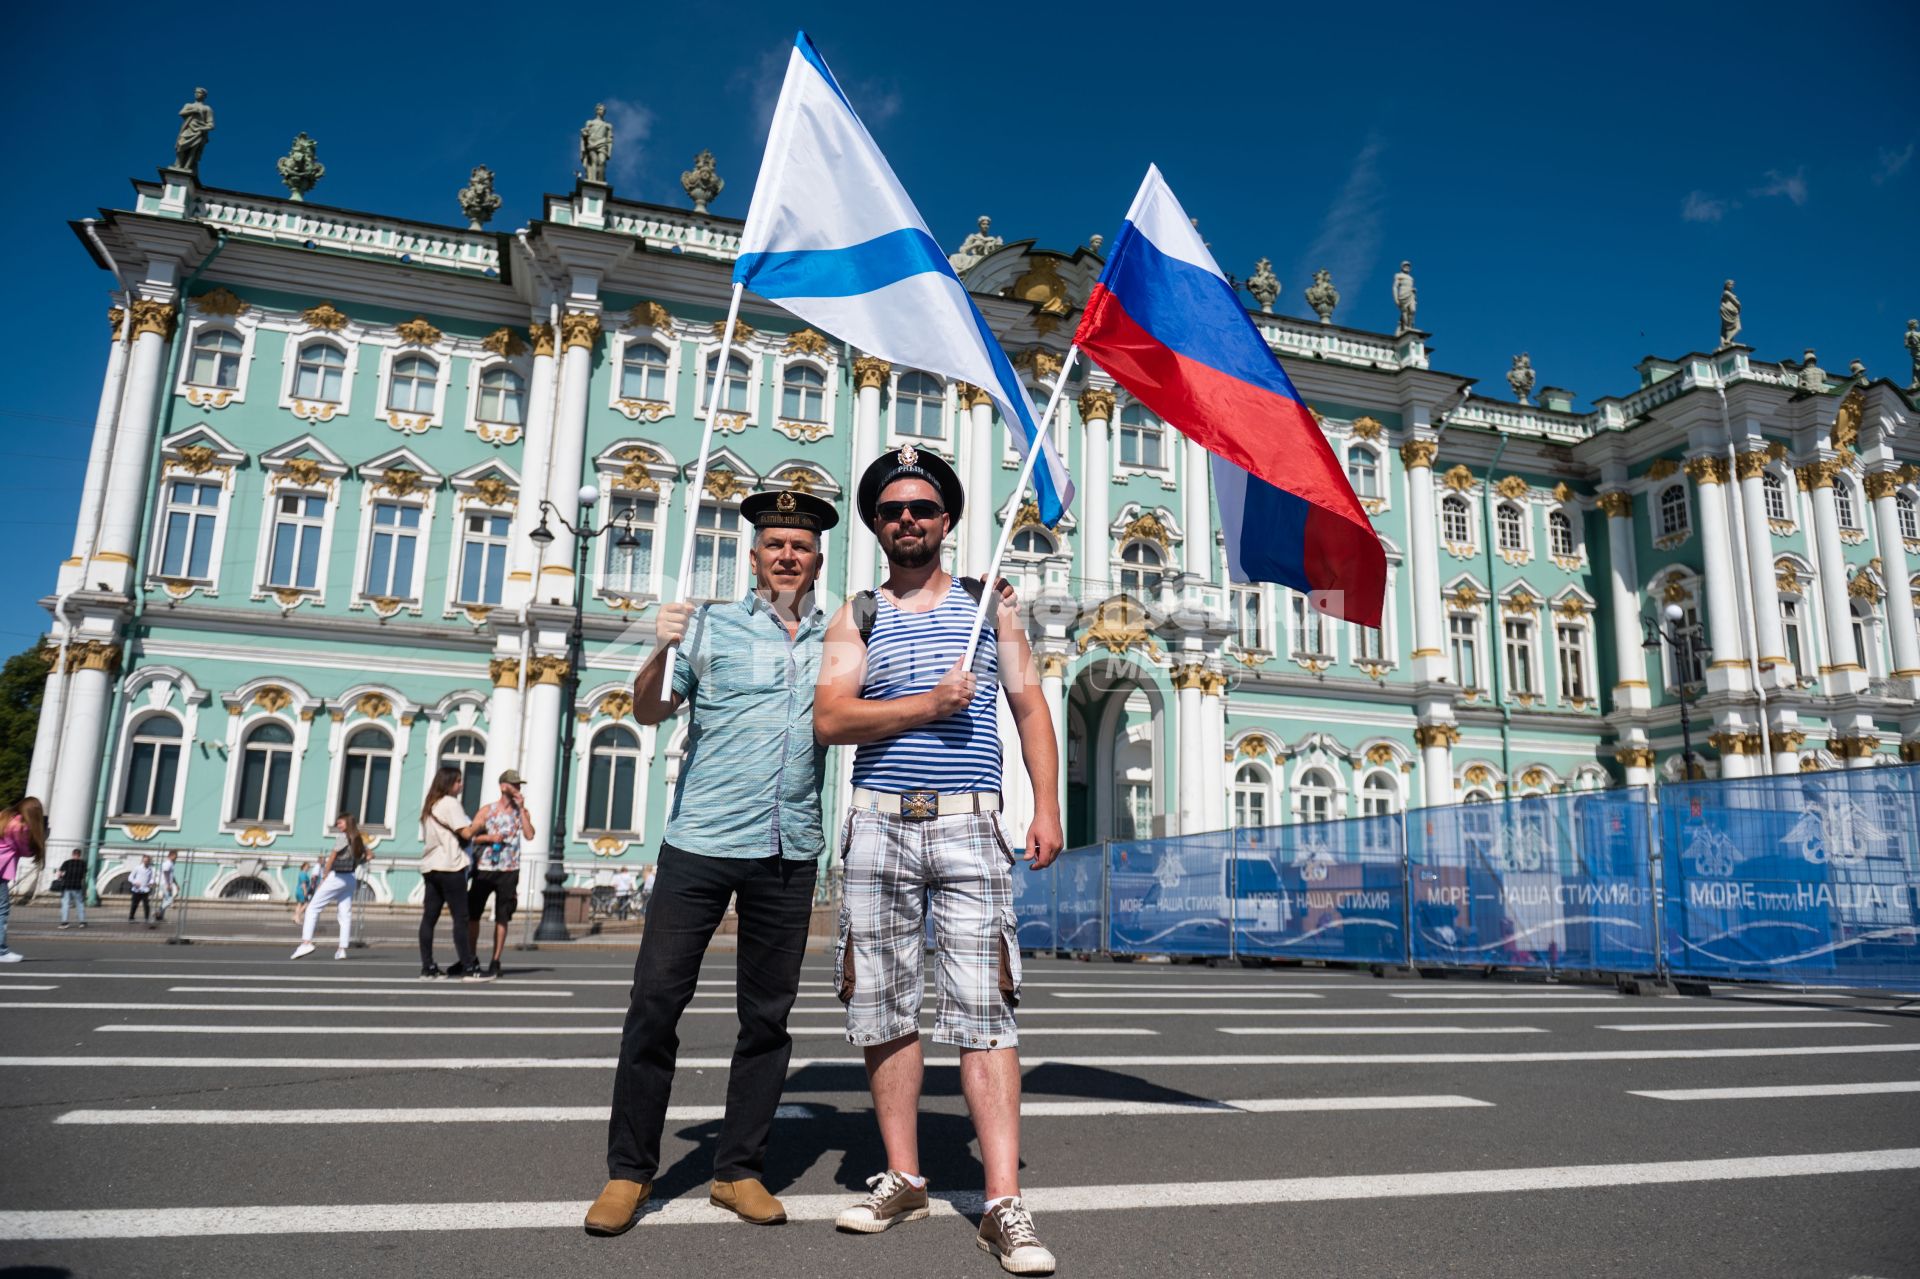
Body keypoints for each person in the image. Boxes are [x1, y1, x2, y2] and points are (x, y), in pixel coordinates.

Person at [815, 445, 1063, 1275]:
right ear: (877, 525)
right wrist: (928, 703)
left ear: (947, 520)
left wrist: (1047, 806)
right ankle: (906, 1175)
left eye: (922, 507)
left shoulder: (992, 607)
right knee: (881, 1002)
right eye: (892, 510)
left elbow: (1029, 709)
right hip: (879, 823)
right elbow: (832, 720)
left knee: (985, 1006)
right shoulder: (858, 614)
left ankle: (1001, 1201)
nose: (908, 519)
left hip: (969, 823)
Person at [584, 488, 843, 1238]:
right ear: (753, 555)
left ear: (816, 556)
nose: (787, 554)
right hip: (699, 840)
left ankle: (738, 1169)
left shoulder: (839, 634)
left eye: (799, 543)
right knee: (656, 1003)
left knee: (767, 1019)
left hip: (789, 847)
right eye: (774, 543)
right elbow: (648, 710)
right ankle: (630, 1171)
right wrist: (660, 646)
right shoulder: (709, 625)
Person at [465, 769, 536, 982]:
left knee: (503, 916)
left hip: (509, 869)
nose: (518, 788)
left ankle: (496, 960)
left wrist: (522, 809)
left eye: (519, 785)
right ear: (503, 786)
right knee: (474, 914)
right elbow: (472, 836)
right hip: (485, 867)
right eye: (514, 785)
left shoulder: (521, 812)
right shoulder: (488, 810)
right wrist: (489, 837)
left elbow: (530, 834)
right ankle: (472, 956)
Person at [419, 766, 485, 980]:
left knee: (429, 917)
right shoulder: (450, 803)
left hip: (431, 866)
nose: (461, 785)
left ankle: (428, 967)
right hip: (450, 866)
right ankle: (468, 966)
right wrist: (479, 823)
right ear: (448, 784)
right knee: (461, 918)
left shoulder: (431, 805)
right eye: (458, 781)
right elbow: (465, 832)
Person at [294, 815, 367, 960]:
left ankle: (306, 942)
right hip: (351, 878)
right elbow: (370, 855)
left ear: (347, 823)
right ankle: (342, 949)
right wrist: (355, 863)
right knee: (345, 914)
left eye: (340, 822)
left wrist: (325, 875)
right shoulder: (358, 838)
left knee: (313, 907)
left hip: (337, 876)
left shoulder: (343, 836)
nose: (338, 825)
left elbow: (333, 856)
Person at [0, 799, 47, 961]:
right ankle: (1, 951)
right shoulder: (20, 827)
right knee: (2, 911)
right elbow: (25, 851)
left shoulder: (4, 816)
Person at [55, 845, 87, 929]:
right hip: (77, 886)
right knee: (80, 904)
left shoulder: (67, 862)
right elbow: (84, 875)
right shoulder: (83, 863)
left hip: (67, 886)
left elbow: (60, 873)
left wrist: (60, 877)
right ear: (79, 855)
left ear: (72, 854)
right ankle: (82, 922)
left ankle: (64, 922)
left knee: (65, 904)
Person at [127, 854, 156, 926]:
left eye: (147, 861)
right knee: (134, 904)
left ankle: (147, 918)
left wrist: (151, 883)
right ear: (143, 860)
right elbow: (130, 877)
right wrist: (135, 882)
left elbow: (151, 878)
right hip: (137, 889)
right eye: (145, 860)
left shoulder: (150, 869)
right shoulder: (137, 868)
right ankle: (131, 917)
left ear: (149, 861)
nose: (146, 862)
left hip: (145, 889)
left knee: (146, 905)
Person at [153, 850, 179, 923]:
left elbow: (171, 876)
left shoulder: (171, 864)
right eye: (176, 857)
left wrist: (176, 884)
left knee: (165, 900)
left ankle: (160, 917)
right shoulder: (167, 863)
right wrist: (168, 884)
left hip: (168, 883)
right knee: (170, 900)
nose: (176, 859)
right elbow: (166, 873)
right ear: (172, 855)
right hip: (165, 883)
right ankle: (158, 911)